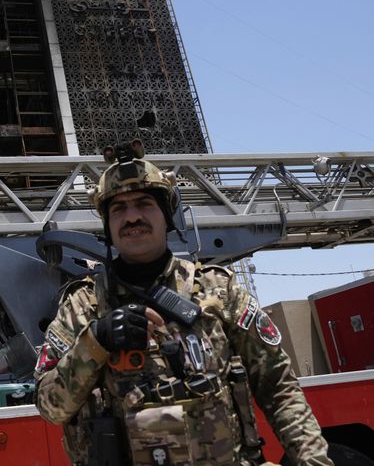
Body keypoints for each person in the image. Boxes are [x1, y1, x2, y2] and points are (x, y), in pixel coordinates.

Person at [34, 140, 332, 466]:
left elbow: (279, 387)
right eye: (118, 209)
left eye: (144, 203)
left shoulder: (219, 291)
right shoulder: (83, 307)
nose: (131, 217)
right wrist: (95, 343)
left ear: (167, 215)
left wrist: (313, 461)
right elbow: (51, 409)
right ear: (107, 226)